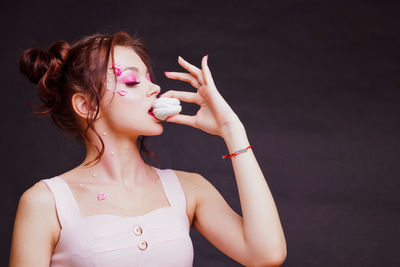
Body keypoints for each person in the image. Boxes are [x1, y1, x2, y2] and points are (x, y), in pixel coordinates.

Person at [9, 31, 287, 267]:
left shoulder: (190, 189)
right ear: (86, 106)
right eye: (132, 81)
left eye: (149, 77)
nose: (154, 88)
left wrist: (232, 130)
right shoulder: (45, 203)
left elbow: (266, 255)